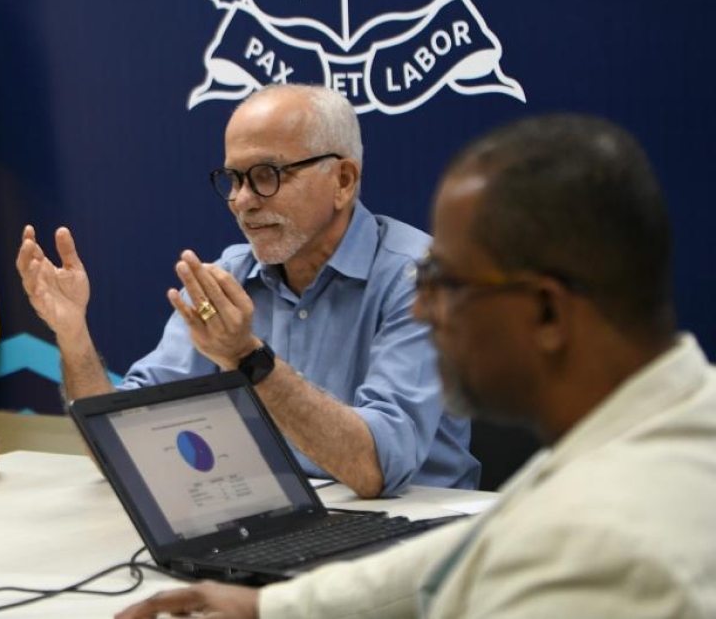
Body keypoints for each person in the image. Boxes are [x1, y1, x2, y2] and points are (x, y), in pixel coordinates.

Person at [117, 114, 716, 619]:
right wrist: (272, 608)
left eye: (445, 282)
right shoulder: (671, 421)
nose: (423, 306)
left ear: (546, 311)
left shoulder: (607, 554)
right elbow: (470, 547)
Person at [19, 85, 477, 497]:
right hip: (276, 520)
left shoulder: (419, 278)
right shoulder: (229, 276)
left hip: (421, 537)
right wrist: (73, 334)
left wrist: (248, 360)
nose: (243, 200)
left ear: (343, 181)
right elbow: (121, 446)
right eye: (234, 179)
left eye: (267, 175)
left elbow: (377, 468)